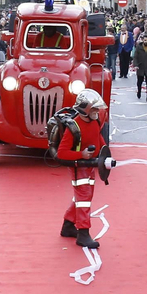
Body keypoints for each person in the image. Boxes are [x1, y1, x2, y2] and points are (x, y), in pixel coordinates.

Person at [52, 90, 109, 251]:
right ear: (85, 110)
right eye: (94, 109)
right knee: (84, 197)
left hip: (90, 165)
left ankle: (68, 225)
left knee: (83, 196)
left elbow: (100, 141)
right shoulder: (74, 127)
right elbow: (62, 153)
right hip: (79, 167)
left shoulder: (94, 122)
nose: (97, 112)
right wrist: (81, 154)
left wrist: (105, 157)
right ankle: (83, 233)